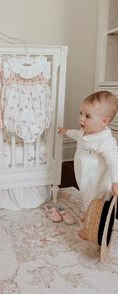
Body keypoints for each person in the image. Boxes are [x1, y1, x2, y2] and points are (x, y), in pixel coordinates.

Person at [58, 90, 118, 239]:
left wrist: (116, 182)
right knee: (86, 199)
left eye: (87, 116)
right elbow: (76, 135)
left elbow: (114, 160)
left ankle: (92, 229)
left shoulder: (105, 141)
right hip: (86, 179)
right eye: (81, 113)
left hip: (98, 182)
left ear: (104, 121)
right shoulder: (85, 132)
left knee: (95, 205)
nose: (81, 119)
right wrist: (66, 132)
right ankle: (88, 217)